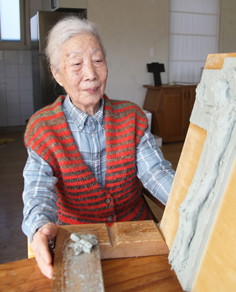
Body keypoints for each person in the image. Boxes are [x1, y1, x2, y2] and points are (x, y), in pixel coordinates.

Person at [22, 15, 175, 279]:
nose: (91, 74)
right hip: (77, 241)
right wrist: (40, 226)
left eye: (97, 60)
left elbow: (156, 173)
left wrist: (188, 202)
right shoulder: (43, 128)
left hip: (136, 234)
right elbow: (38, 191)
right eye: (77, 64)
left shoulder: (131, 117)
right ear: (56, 73)